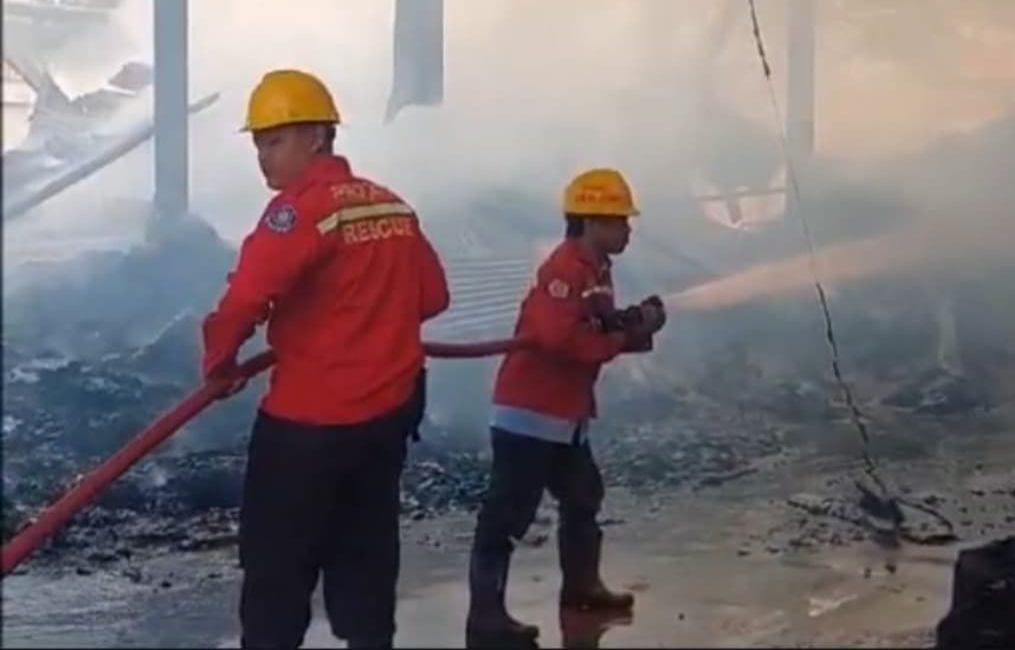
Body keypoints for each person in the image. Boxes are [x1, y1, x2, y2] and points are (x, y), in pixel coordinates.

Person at [200, 68, 450, 649]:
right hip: (385, 421)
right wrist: (369, 321)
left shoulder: (299, 210)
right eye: (259, 143)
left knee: (277, 572)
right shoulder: (392, 206)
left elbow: (246, 298)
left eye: (275, 140)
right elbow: (434, 297)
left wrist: (219, 361)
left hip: (307, 427)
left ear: (317, 136)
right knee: (365, 558)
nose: (263, 157)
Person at [464, 167, 667, 647]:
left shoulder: (597, 270)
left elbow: (593, 327)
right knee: (506, 516)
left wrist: (631, 325)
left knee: (582, 499)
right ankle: (485, 617)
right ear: (591, 221)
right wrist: (623, 336)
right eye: (619, 220)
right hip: (530, 415)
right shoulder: (564, 269)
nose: (627, 230)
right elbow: (560, 340)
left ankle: (582, 588)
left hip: (565, 416)